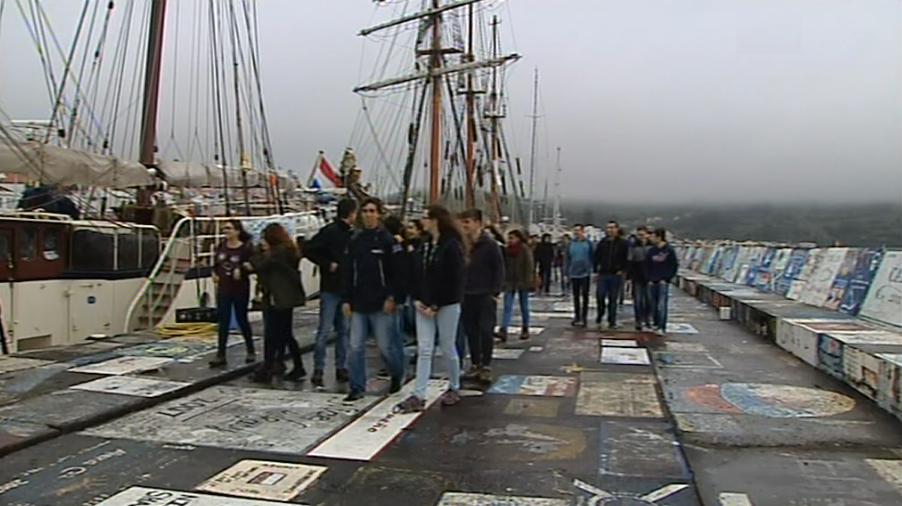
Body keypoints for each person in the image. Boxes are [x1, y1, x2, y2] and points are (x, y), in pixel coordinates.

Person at [396, 205, 466, 412]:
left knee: (447, 346)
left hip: (447, 303)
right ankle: (419, 394)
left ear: (436, 220)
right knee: (424, 348)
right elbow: (415, 274)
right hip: (424, 303)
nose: (422, 221)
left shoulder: (451, 246)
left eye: (425, 217)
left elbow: (455, 280)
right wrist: (417, 298)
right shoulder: (425, 245)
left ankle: (454, 386)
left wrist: (436, 304)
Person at [341, 197, 406, 401]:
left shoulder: (388, 241)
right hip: (359, 303)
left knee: (387, 347)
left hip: (381, 303)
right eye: (365, 211)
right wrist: (346, 299)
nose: (369, 214)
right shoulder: (355, 241)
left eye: (372, 211)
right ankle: (356, 387)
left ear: (378, 214)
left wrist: (392, 297)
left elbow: (398, 273)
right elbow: (347, 272)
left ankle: (397, 374)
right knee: (354, 347)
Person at [303, 198, 356, 388]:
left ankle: (330, 367)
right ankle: (330, 367)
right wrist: (328, 264)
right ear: (352, 213)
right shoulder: (334, 232)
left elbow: (309, 249)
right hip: (335, 287)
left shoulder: (345, 232)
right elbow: (308, 249)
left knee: (336, 330)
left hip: (340, 287)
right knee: (335, 330)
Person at [249, 223, 307, 383]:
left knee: (273, 334)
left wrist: (259, 250)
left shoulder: (277, 253)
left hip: (277, 298)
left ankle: (267, 369)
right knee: (285, 334)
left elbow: (259, 264)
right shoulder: (288, 250)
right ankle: (292, 365)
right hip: (285, 297)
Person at [459, 209, 504, 384]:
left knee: (486, 330)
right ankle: (475, 363)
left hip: (485, 294)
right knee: (471, 331)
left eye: (467, 222)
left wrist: (495, 292)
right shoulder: (462, 245)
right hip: (466, 293)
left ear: (478, 223)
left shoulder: (490, 244)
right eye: (463, 222)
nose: (464, 226)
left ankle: (486, 365)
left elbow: (499, 268)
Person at [209, 219, 256, 368]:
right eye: (224, 229)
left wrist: (241, 269)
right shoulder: (221, 247)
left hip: (240, 288)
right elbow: (216, 264)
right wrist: (214, 273)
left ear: (237, 231)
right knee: (223, 320)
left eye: (229, 228)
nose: (225, 231)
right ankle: (220, 354)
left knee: (242, 318)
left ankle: (250, 350)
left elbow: (253, 266)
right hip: (224, 288)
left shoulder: (246, 249)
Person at [498, 229, 535, 341]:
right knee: (507, 306)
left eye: (512, 238)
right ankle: (503, 329)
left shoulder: (524, 249)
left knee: (524, 306)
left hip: (522, 280)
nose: (510, 240)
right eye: (509, 238)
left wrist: (528, 281)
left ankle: (525, 328)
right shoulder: (506, 250)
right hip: (509, 280)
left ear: (518, 238)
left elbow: (529, 265)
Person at [593, 221, 628, 329]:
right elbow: (596, 257)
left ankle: (612, 320)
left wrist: (622, 269)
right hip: (603, 273)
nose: (610, 230)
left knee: (613, 299)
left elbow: (627, 258)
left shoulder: (623, 243)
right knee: (600, 296)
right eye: (608, 228)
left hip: (615, 274)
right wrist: (595, 270)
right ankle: (600, 314)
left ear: (617, 229)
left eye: (612, 228)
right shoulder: (603, 242)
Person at [646, 228, 678, 336]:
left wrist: (667, 278)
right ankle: (655, 323)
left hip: (663, 281)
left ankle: (661, 326)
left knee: (661, 304)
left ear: (659, 237)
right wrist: (649, 278)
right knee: (653, 304)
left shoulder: (669, 250)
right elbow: (647, 265)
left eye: (653, 236)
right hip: (652, 280)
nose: (651, 238)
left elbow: (673, 266)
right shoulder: (651, 250)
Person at [566, 224, 593, 327]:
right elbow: (567, 259)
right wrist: (566, 272)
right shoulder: (570, 244)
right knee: (575, 296)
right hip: (573, 273)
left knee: (585, 296)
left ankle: (584, 317)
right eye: (575, 231)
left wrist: (592, 270)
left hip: (585, 274)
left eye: (578, 231)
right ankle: (577, 316)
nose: (576, 233)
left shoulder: (588, 243)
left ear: (583, 231)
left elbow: (592, 256)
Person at [627, 226, 652, 331]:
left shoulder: (652, 246)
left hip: (650, 277)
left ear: (647, 234)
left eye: (642, 235)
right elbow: (630, 261)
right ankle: (638, 320)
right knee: (638, 300)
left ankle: (647, 319)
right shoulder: (633, 246)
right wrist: (629, 277)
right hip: (637, 277)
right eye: (639, 235)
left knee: (649, 300)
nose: (640, 237)